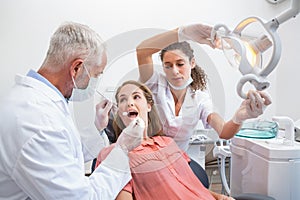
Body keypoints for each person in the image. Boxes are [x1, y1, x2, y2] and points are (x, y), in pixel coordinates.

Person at [0, 22, 144, 200]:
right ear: (76, 68)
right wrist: (123, 149)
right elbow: (81, 197)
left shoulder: (42, 103)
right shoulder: (38, 120)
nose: (95, 83)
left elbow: (64, 153)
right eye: (96, 74)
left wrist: (97, 128)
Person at [136, 24, 272, 151]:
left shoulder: (199, 98)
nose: (175, 71)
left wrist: (240, 117)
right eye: (168, 65)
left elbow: (224, 131)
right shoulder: (154, 83)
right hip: (150, 156)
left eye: (180, 64)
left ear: (192, 63)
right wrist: (182, 32)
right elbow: (142, 51)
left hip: (179, 161)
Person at [95, 80, 235, 200]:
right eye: (123, 100)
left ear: (149, 106)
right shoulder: (114, 154)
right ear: (119, 111)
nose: (129, 103)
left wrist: (220, 197)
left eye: (136, 97)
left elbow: (191, 186)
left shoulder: (167, 142)